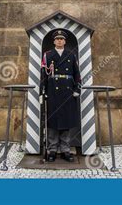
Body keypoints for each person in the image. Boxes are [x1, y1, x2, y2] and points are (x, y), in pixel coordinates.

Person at [41, 30, 81, 163]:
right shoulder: (47, 55)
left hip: (68, 91)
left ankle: (65, 149)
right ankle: (52, 149)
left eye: (61, 39)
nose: (59, 41)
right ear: (54, 41)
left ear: (64, 41)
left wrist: (77, 89)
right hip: (53, 91)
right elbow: (43, 75)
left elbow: (77, 74)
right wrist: (43, 90)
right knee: (53, 122)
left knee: (66, 121)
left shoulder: (71, 54)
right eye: (57, 39)